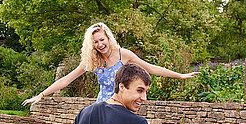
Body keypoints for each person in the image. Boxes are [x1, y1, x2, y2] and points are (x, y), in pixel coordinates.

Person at [23, 22, 197, 105]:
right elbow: (65, 80)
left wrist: (180, 75)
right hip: (102, 105)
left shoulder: (124, 55)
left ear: (108, 38)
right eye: (96, 42)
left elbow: (150, 68)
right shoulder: (93, 61)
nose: (100, 44)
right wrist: (41, 95)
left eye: (101, 39)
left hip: (121, 104)